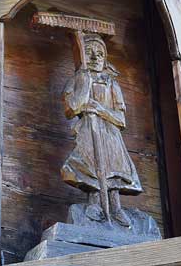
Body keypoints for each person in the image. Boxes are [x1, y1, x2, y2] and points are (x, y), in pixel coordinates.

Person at [61, 33, 142, 227]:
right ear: (82, 57)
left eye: (100, 54)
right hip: (88, 131)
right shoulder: (77, 79)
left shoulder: (111, 83)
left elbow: (121, 119)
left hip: (110, 134)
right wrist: (85, 83)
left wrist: (100, 109)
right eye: (89, 53)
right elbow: (71, 108)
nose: (95, 58)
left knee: (114, 167)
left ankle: (115, 208)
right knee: (89, 164)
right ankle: (94, 204)